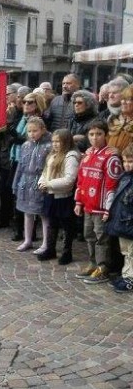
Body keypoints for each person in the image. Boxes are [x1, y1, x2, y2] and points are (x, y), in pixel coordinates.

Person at [74, 120, 121, 285]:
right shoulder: (87, 155)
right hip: (88, 205)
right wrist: (78, 202)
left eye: (99, 134)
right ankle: (93, 263)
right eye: (91, 134)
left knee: (102, 238)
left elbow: (112, 185)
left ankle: (103, 268)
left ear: (105, 135)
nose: (95, 138)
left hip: (101, 208)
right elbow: (81, 180)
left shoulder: (111, 156)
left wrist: (108, 208)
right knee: (89, 235)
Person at [35, 129, 80, 262]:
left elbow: (69, 179)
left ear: (66, 142)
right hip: (51, 194)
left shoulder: (70, 157)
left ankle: (67, 252)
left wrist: (49, 184)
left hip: (63, 196)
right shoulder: (52, 155)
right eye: (53, 141)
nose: (55, 144)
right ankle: (50, 249)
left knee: (66, 225)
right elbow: (45, 172)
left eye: (58, 142)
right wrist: (42, 182)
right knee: (52, 223)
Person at [13, 117, 51, 251]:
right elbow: (20, 166)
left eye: (35, 131)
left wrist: (46, 182)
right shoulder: (25, 145)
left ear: (43, 130)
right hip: (25, 181)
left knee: (43, 214)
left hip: (40, 181)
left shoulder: (49, 146)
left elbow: (49, 167)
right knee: (27, 212)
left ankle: (46, 243)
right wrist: (16, 182)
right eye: (29, 131)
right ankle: (27, 239)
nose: (32, 134)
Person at [105, 144, 133, 293]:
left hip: (129, 222)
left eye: (131, 161)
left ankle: (130, 278)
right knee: (126, 252)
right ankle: (126, 275)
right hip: (123, 221)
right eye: (125, 161)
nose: (127, 165)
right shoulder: (124, 177)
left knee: (131, 252)